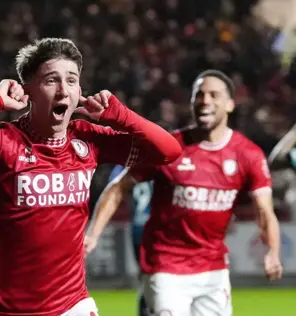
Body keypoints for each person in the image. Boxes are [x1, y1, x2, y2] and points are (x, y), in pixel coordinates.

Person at [0, 37, 182, 316]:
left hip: (70, 306)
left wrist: (121, 116)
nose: (64, 90)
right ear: (28, 90)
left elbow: (168, 151)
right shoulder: (0, 141)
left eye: (72, 80)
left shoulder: (89, 139)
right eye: (52, 80)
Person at [85, 70, 283, 316]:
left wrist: (273, 253)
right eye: (199, 95)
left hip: (213, 270)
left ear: (230, 104)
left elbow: (265, 212)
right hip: (165, 266)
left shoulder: (248, 154)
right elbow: (119, 187)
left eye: (214, 95)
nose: (205, 101)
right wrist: (92, 234)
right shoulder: (169, 147)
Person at [86, 164, 152, 316]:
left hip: (138, 227)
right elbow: (116, 186)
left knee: (147, 279)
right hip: (155, 229)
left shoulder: (132, 163)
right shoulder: (167, 159)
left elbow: (114, 184)